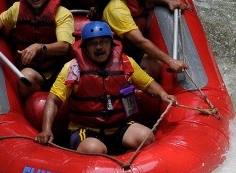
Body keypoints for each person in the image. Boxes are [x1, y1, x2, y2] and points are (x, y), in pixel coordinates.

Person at [35, 21, 174, 155]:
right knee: (93, 149)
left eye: (103, 42)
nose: (99, 47)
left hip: (120, 126)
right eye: (93, 44)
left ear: (111, 44)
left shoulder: (126, 62)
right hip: (86, 129)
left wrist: (163, 94)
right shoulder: (72, 68)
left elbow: (148, 84)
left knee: (146, 136)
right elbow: (53, 100)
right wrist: (46, 129)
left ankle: (126, 163)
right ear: (85, 47)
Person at [97, 0, 190, 79]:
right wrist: (170, 61)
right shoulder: (117, 9)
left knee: (153, 65)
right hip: (111, 54)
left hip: (130, 49)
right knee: (153, 63)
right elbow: (140, 41)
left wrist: (168, 2)